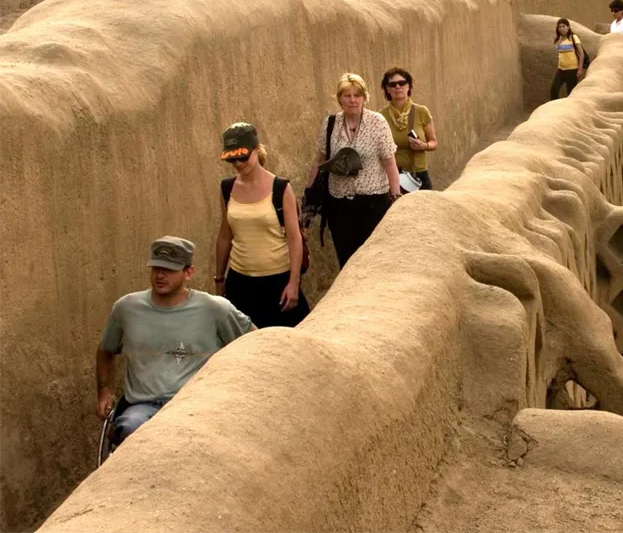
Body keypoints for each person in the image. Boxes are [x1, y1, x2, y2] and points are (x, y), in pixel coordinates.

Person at [95, 236, 255, 441]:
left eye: (169, 270)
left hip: (195, 407)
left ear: (188, 272)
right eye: (156, 269)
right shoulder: (126, 308)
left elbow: (256, 344)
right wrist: (103, 391)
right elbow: (105, 350)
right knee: (129, 428)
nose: (160, 276)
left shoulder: (215, 309)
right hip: (142, 408)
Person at [215, 122, 310, 328]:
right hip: (240, 283)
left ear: (256, 149)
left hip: (277, 283)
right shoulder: (227, 188)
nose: (239, 163)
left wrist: (293, 284)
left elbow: (294, 238)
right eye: (233, 159)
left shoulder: (281, 188)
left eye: (243, 157)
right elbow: (225, 235)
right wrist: (219, 279)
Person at [305, 73, 401, 268]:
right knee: (347, 257)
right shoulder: (331, 123)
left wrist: (396, 195)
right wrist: (309, 193)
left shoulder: (377, 122)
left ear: (364, 97)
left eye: (357, 95)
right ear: (340, 98)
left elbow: (389, 162)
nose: (352, 100)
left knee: (373, 257)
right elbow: (319, 159)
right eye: (347, 96)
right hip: (339, 203)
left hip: (373, 202)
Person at [379, 67, 438, 191]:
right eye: (392, 84)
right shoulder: (380, 117)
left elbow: (434, 142)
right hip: (393, 177)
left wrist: (424, 146)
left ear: (409, 86)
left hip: (418, 175)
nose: (397, 87)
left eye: (402, 83)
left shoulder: (421, 111)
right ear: (387, 89)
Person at [549, 18, 585, 100]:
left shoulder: (573, 37)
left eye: (563, 26)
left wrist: (580, 69)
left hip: (572, 70)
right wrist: (560, 39)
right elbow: (557, 49)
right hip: (561, 70)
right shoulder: (559, 39)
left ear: (568, 27)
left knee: (571, 93)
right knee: (553, 90)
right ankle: (555, 109)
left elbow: (581, 54)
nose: (561, 29)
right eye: (559, 27)